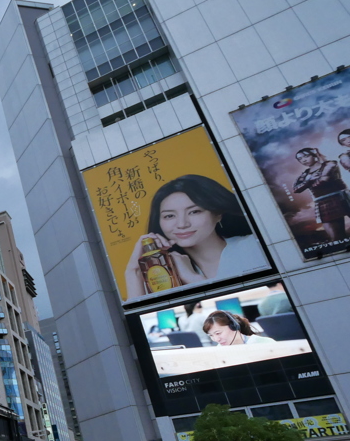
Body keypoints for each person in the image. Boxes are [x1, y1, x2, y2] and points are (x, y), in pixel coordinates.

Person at [124, 174, 266, 301]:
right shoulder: (160, 274)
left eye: (194, 212)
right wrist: (132, 272)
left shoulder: (255, 246)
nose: (182, 224)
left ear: (217, 214)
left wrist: (193, 279)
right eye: (169, 216)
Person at [294, 147, 350, 242]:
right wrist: (309, 180)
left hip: (342, 196)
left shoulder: (330, 164)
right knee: (337, 238)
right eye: (300, 159)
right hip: (323, 202)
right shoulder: (305, 175)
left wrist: (308, 182)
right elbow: (296, 189)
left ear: (314, 155)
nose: (303, 160)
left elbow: (324, 180)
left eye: (306, 156)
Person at [201, 310, 276, 346]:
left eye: (218, 333)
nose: (216, 339)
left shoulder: (265, 343)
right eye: (211, 335)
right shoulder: (219, 349)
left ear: (233, 326)